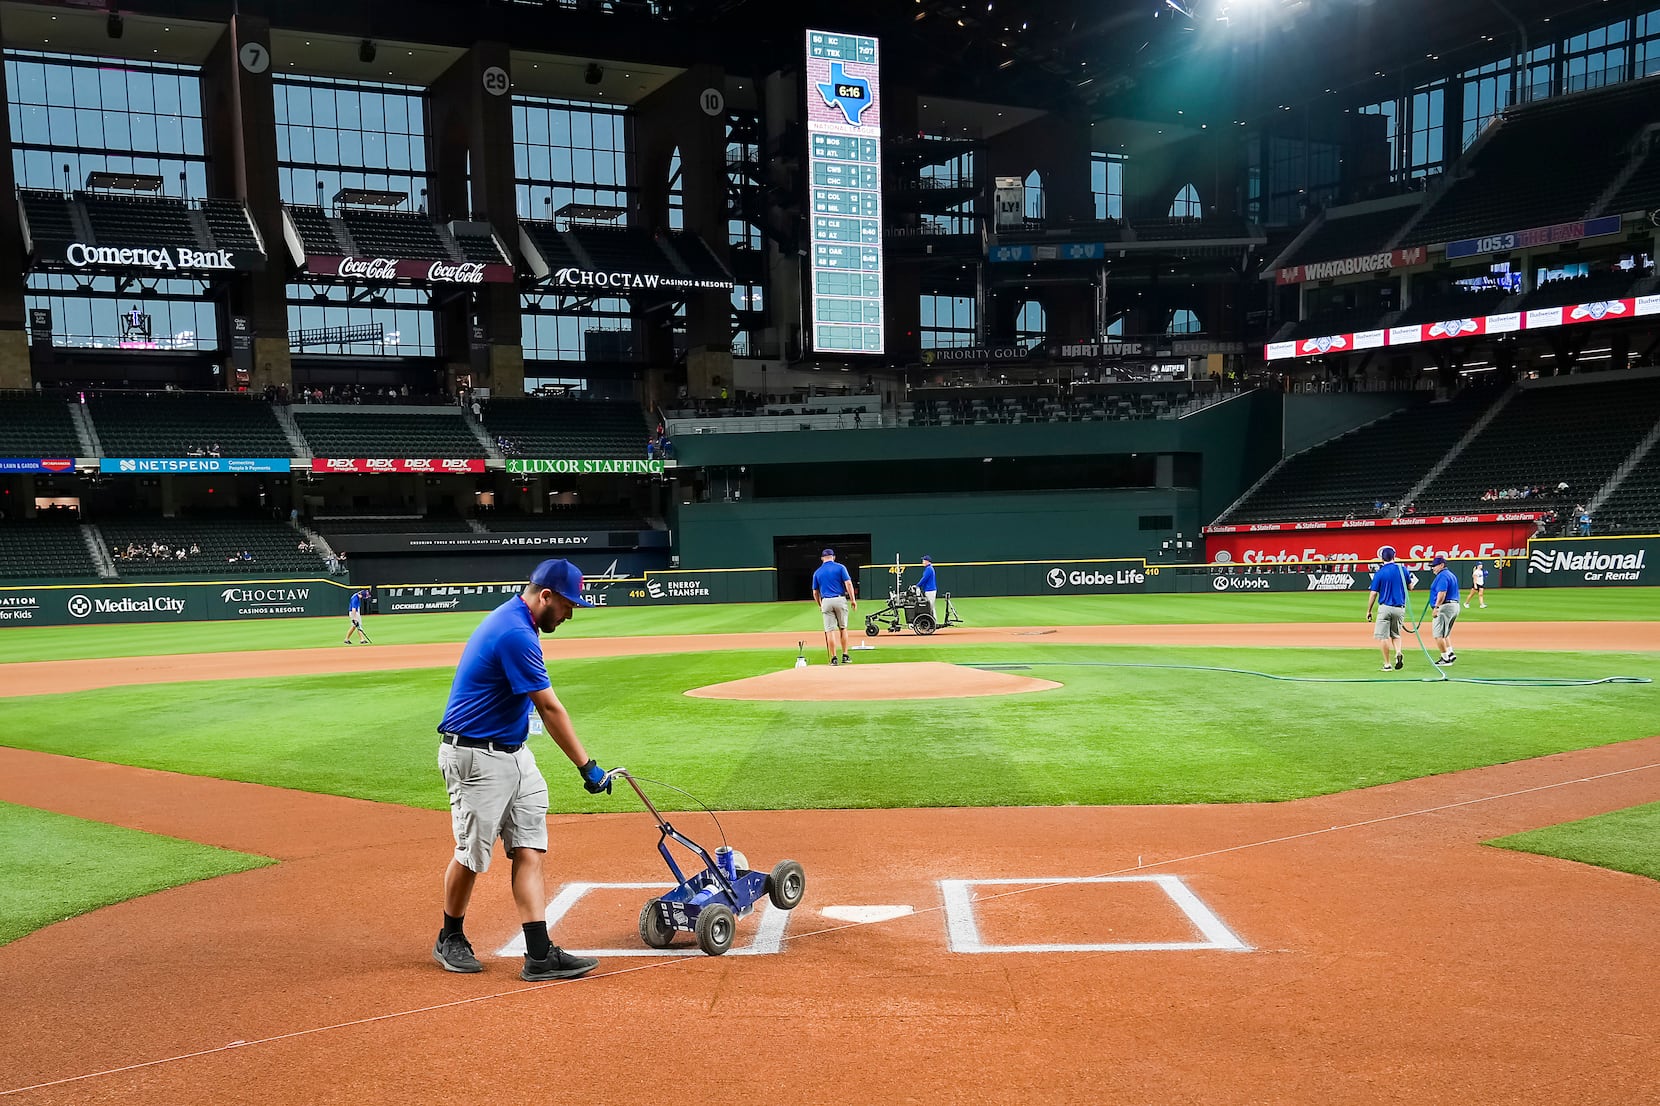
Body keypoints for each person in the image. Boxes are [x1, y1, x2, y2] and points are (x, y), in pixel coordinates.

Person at [432, 559, 611, 982]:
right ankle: (450, 936)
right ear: (545, 596)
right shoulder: (515, 633)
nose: (569, 615)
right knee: (473, 855)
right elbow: (549, 706)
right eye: (568, 605)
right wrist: (587, 766)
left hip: (514, 753)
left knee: (530, 845)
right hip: (475, 757)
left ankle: (539, 953)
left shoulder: (521, 623)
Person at [1365, 545, 1411, 672]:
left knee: (1383, 636)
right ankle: (1398, 652)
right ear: (1394, 556)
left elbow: (1373, 593)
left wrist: (1369, 610)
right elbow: (1411, 587)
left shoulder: (1380, 573)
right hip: (1399, 607)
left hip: (1385, 607)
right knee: (1396, 634)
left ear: (1382, 558)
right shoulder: (1403, 570)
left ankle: (1387, 664)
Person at [811, 547, 858, 666]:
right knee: (843, 628)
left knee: (829, 631)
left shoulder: (817, 572)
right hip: (839, 599)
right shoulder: (840, 567)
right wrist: (853, 600)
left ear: (822, 558)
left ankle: (833, 658)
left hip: (826, 600)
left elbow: (815, 592)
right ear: (833, 557)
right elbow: (848, 583)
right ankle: (845, 655)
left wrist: (820, 604)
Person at [1428, 555, 1460, 666]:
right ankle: (1450, 653)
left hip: (1445, 607)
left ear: (1442, 565)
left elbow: (1442, 593)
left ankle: (1445, 658)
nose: (1433, 568)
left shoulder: (1442, 576)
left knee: (1438, 635)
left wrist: (1436, 608)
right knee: (1445, 633)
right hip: (1454, 606)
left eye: (1435, 566)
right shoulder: (1450, 574)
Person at [917, 555, 938, 620]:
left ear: (927, 561)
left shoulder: (929, 569)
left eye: (923, 561)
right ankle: (933, 620)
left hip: (930, 590)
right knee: (930, 606)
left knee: (930, 606)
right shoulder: (929, 568)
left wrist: (917, 585)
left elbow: (924, 579)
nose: (922, 562)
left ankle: (933, 621)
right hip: (930, 590)